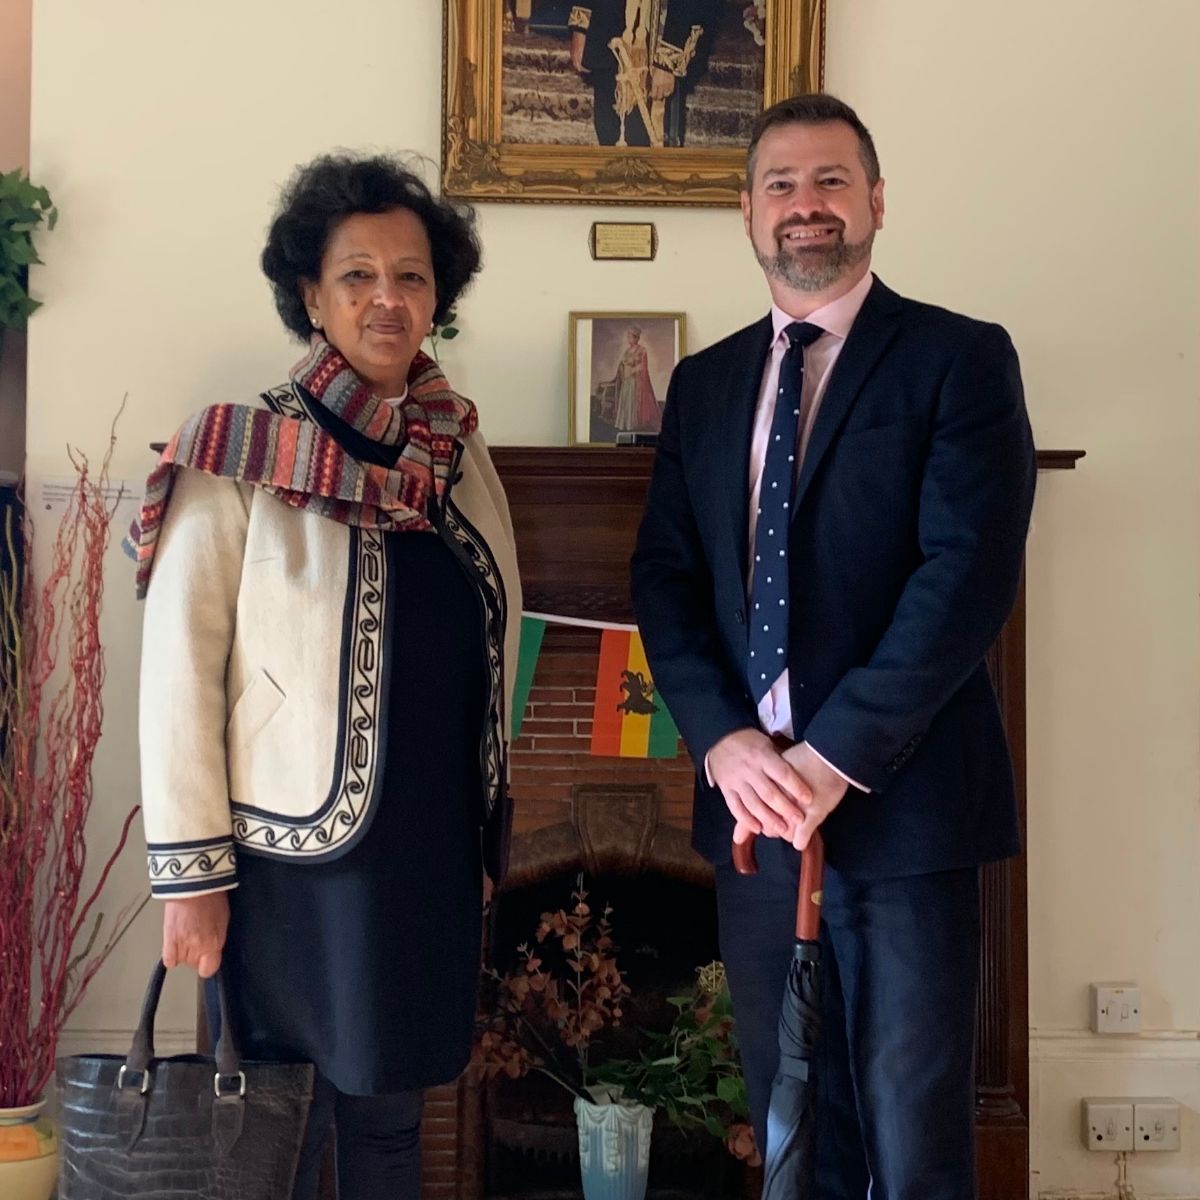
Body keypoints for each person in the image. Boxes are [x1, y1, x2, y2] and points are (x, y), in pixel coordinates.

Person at [630, 94, 1035, 1196]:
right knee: (793, 1123)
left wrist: (828, 757)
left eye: (830, 182)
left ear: (876, 202)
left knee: (914, 1138)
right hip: (755, 823)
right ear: (748, 213)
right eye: (780, 185)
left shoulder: (961, 359)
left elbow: (966, 579)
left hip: (906, 816)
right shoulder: (706, 385)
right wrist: (722, 741)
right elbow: (666, 580)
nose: (805, 206)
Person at [128, 154, 521, 1200]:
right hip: (281, 872)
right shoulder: (239, 450)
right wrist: (191, 879)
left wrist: (488, 829)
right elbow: (179, 677)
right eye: (358, 276)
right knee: (276, 1140)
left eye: (412, 277)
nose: (387, 300)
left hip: (426, 858)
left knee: (393, 1128)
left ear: (439, 297)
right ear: (311, 293)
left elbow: (492, 651)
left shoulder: (459, 455)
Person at [568, 0, 717, 147]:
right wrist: (581, 26)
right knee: (609, 135)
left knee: (646, 148)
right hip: (609, 39)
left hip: (658, 46)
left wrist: (667, 60)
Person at [609, 326, 661, 432]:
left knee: (632, 402)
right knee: (625, 401)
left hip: (635, 381)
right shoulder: (627, 351)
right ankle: (623, 424)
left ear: (636, 338)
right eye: (628, 336)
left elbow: (643, 366)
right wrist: (623, 372)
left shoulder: (642, 350)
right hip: (626, 381)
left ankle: (631, 425)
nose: (628, 339)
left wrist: (632, 371)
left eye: (630, 336)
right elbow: (622, 364)